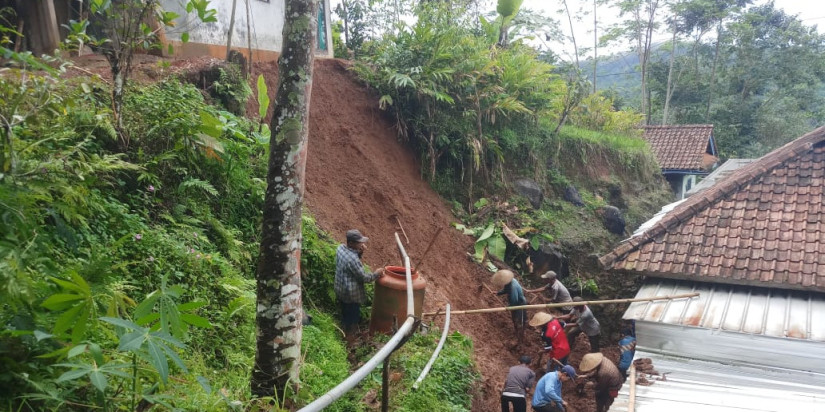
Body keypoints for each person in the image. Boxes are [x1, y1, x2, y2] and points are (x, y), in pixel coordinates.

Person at [333, 229, 383, 341]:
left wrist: (360, 252)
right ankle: (350, 340)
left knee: (345, 313)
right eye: (359, 243)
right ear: (351, 243)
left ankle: (343, 330)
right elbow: (364, 278)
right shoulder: (353, 260)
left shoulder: (340, 248)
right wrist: (377, 273)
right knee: (352, 318)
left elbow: (350, 262)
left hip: (340, 288)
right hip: (350, 295)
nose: (362, 244)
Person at [492, 269, 528, 346]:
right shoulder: (510, 281)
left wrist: (508, 307)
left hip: (520, 304)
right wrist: (498, 293)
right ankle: (517, 334)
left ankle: (520, 339)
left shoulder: (513, 287)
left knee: (519, 321)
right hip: (516, 303)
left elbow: (514, 300)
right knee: (514, 319)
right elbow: (506, 290)